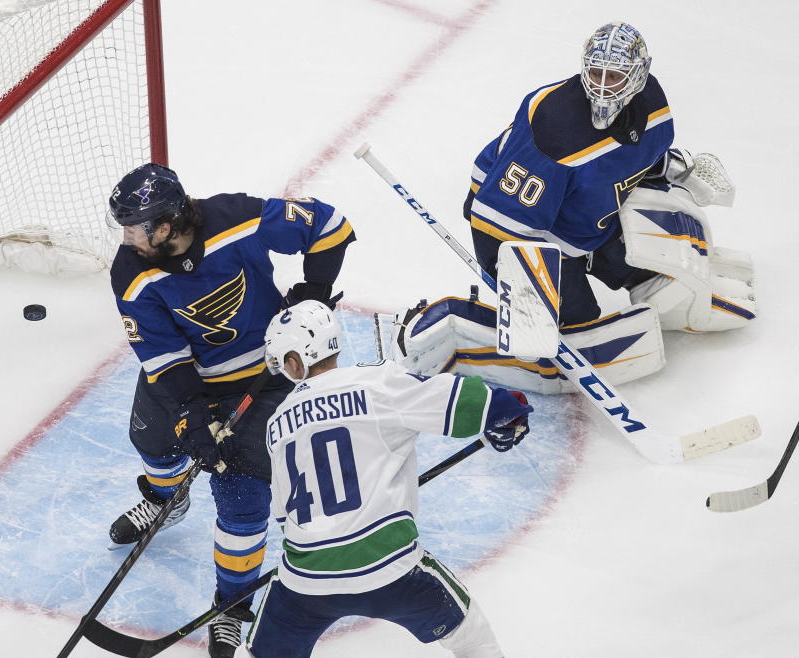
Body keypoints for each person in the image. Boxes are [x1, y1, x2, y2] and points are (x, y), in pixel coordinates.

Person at [394, 21, 755, 394]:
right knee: (567, 334)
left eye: (613, 75)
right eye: (595, 72)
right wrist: (527, 301)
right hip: (517, 228)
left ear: (638, 75)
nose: (600, 85)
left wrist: (676, 168)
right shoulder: (554, 127)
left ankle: (623, 278)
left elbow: (630, 158)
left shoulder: (653, 104)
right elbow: (497, 222)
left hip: (591, 219)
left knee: (661, 278)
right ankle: (452, 326)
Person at [104, 163, 355, 657]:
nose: (127, 236)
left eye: (137, 225)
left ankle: (231, 605)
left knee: (241, 495)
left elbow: (331, 227)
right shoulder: (130, 271)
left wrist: (314, 292)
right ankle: (166, 499)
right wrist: (192, 413)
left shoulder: (235, 218)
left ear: (168, 222)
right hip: (190, 380)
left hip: (268, 377)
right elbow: (162, 355)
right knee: (153, 441)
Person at [234, 301, 533, 657]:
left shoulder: (276, 423)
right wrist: (508, 411)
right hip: (388, 568)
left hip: (306, 580)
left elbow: (285, 515)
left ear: (295, 359)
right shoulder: (376, 381)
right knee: (470, 634)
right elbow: (457, 400)